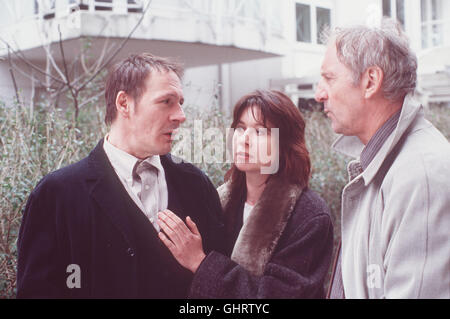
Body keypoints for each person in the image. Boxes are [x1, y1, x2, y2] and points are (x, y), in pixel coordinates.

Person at [16, 53, 225, 298]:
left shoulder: (196, 185)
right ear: (124, 103)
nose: (181, 115)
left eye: (180, 102)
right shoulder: (56, 194)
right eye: (166, 101)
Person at [315, 20, 450, 298]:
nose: (319, 94)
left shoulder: (419, 175)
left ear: (371, 81)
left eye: (329, 78)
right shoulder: (385, 164)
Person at [157, 89, 334, 298]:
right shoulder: (216, 201)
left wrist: (201, 263)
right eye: (240, 129)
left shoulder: (310, 216)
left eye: (260, 132)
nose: (244, 140)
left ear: (285, 144)